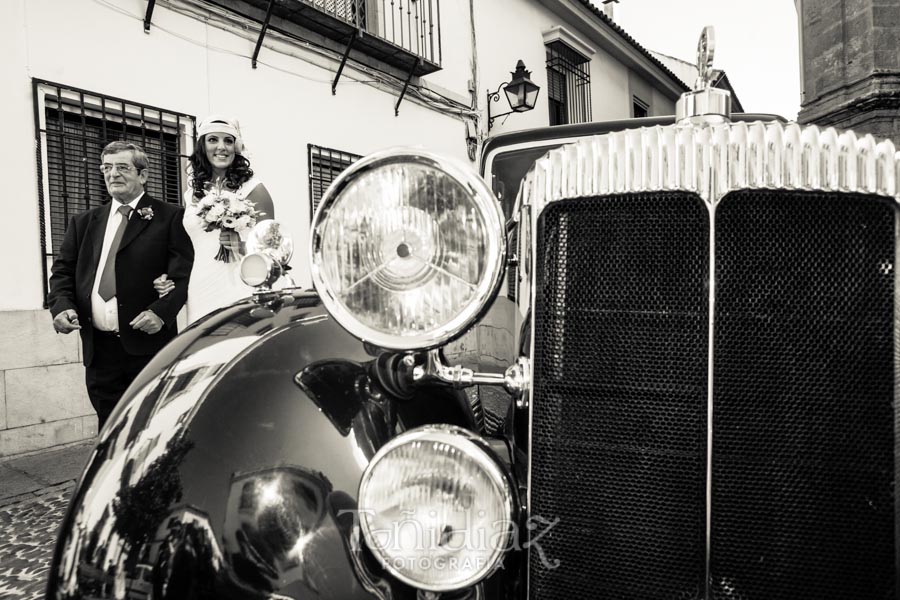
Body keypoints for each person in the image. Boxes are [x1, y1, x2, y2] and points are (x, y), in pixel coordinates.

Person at [48, 141, 194, 429]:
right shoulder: (84, 222)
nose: (112, 174)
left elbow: (183, 274)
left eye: (122, 167)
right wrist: (61, 307)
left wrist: (161, 313)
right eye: (107, 168)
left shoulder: (171, 217)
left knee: (151, 427)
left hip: (148, 347)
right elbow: (62, 271)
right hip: (99, 350)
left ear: (143, 175)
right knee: (109, 428)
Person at [155, 115, 275, 324]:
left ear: (236, 147)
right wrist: (169, 275)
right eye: (213, 140)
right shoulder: (191, 193)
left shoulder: (253, 188)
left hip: (240, 282)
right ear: (202, 145)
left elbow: (272, 247)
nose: (222, 147)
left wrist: (241, 245)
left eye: (228, 141)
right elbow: (185, 248)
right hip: (200, 284)